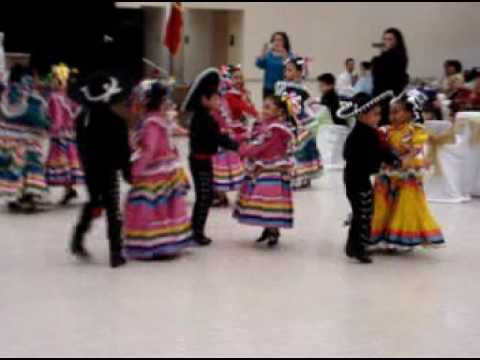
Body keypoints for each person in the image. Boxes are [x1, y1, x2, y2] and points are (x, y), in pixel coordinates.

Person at [123, 80, 193, 260]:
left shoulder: (151, 122)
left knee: (152, 207)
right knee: (164, 206)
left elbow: (149, 150)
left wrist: (136, 169)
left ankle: (156, 242)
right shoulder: (157, 121)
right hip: (167, 169)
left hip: (154, 173)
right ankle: (167, 241)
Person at [370, 90, 446, 251]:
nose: (392, 116)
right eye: (390, 112)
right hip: (387, 172)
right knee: (382, 203)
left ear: (409, 113)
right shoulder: (386, 131)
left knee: (404, 204)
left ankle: (400, 238)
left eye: (396, 112)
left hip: (407, 172)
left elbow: (415, 149)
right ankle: (380, 236)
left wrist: (405, 160)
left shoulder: (415, 130)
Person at [70, 73, 132, 269]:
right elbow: (123, 151)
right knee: (112, 208)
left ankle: (78, 238)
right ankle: (115, 252)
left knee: (94, 202)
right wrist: (127, 172)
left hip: (90, 169)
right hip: (109, 171)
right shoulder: (117, 122)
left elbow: (80, 146)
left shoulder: (82, 119)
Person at [340, 91, 400, 264]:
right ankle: (358, 248)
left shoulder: (369, 132)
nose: (378, 118)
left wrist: (390, 158)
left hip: (359, 178)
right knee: (363, 213)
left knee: (363, 212)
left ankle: (354, 246)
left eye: (379, 114)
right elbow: (350, 154)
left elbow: (381, 150)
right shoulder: (360, 135)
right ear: (362, 115)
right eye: (375, 114)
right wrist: (381, 160)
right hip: (355, 179)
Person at [182, 68, 239, 246]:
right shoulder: (204, 119)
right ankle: (196, 232)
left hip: (203, 160)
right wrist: (237, 146)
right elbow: (218, 138)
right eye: (215, 98)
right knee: (204, 197)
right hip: (200, 161)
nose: (219, 101)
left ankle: (196, 230)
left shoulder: (205, 116)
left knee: (205, 197)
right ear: (204, 100)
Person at [234, 94, 297, 247]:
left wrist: (244, 150)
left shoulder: (275, 129)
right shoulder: (265, 125)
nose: (264, 110)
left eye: (268, 108)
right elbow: (254, 138)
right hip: (264, 167)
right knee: (263, 199)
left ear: (279, 112)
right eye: (264, 107)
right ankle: (268, 229)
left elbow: (262, 146)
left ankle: (273, 230)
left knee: (270, 200)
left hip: (272, 168)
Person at [0, 65, 51, 212]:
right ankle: (27, 199)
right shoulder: (29, 96)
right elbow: (35, 116)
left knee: (13, 167)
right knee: (29, 167)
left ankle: (15, 197)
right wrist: (47, 124)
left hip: (7, 138)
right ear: (26, 77)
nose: (36, 80)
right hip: (27, 140)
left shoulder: (6, 93)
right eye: (34, 77)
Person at [276, 57, 323, 189]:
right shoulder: (283, 86)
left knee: (305, 148)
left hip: (301, 119)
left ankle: (306, 175)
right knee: (295, 149)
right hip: (291, 119)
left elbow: (302, 104)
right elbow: (284, 103)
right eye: (286, 69)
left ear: (298, 72)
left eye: (290, 70)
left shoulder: (300, 87)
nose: (286, 72)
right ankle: (296, 175)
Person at [45, 64, 84, 205]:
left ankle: (66, 190)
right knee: (67, 164)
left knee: (61, 164)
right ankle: (69, 189)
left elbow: (58, 118)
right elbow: (76, 111)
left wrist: (52, 129)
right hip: (69, 135)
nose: (52, 82)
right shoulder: (66, 98)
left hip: (59, 136)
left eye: (55, 79)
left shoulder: (55, 98)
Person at [372, 28, 410, 125]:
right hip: (379, 96)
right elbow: (376, 74)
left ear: (397, 41)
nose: (386, 42)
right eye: (384, 39)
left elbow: (389, 74)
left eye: (390, 39)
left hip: (391, 97)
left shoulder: (400, 57)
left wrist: (384, 54)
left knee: (389, 125)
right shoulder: (383, 57)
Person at [256, 32, 292, 98]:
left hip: (283, 86)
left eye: (280, 40)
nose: (277, 42)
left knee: (281, 107)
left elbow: (291, 69)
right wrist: (263, 53)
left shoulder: (289, 55)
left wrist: (285, 57)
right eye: (275, 40)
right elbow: (259, 64)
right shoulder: (269, 55)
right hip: (268, 87)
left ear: (285, 42)